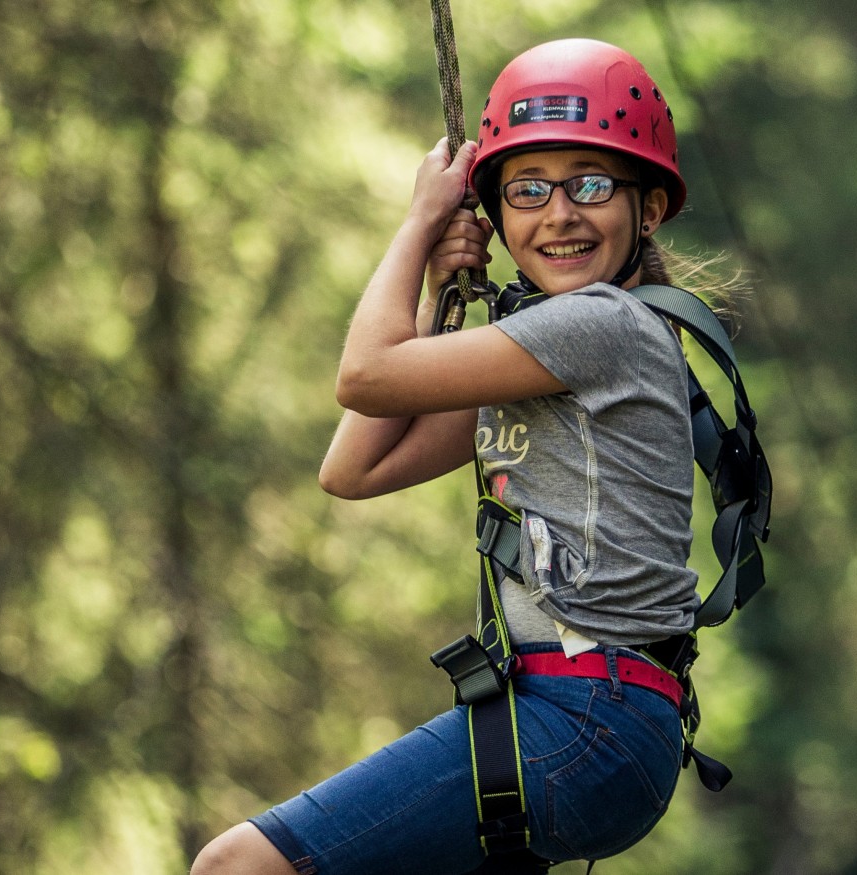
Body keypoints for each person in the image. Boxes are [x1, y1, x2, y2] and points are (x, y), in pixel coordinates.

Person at [192, 38, 721, 875]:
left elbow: (364, 375)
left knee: (237, 865)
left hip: (584, 712)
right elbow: (354, 468)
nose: (559, 213)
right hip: (597, 722)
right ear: (502, 214)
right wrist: (446, 292)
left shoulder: (603, 327)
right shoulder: (542, 354)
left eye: (591, 183)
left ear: (647, 208)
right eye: (528, 190)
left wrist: (416, 225)